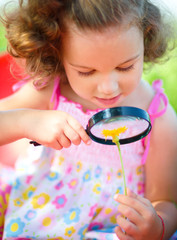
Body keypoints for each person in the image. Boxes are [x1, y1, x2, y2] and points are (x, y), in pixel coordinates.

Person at [0, 0, 177, 239]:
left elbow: (165, 200)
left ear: (145, 39)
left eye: (125, 66)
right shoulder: (52, 90)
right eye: (86, 71)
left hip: (111, 230)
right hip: (43, 213)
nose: (108, 87)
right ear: (57, 52)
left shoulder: (157, 115)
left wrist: (157, 226)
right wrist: (25, 121)